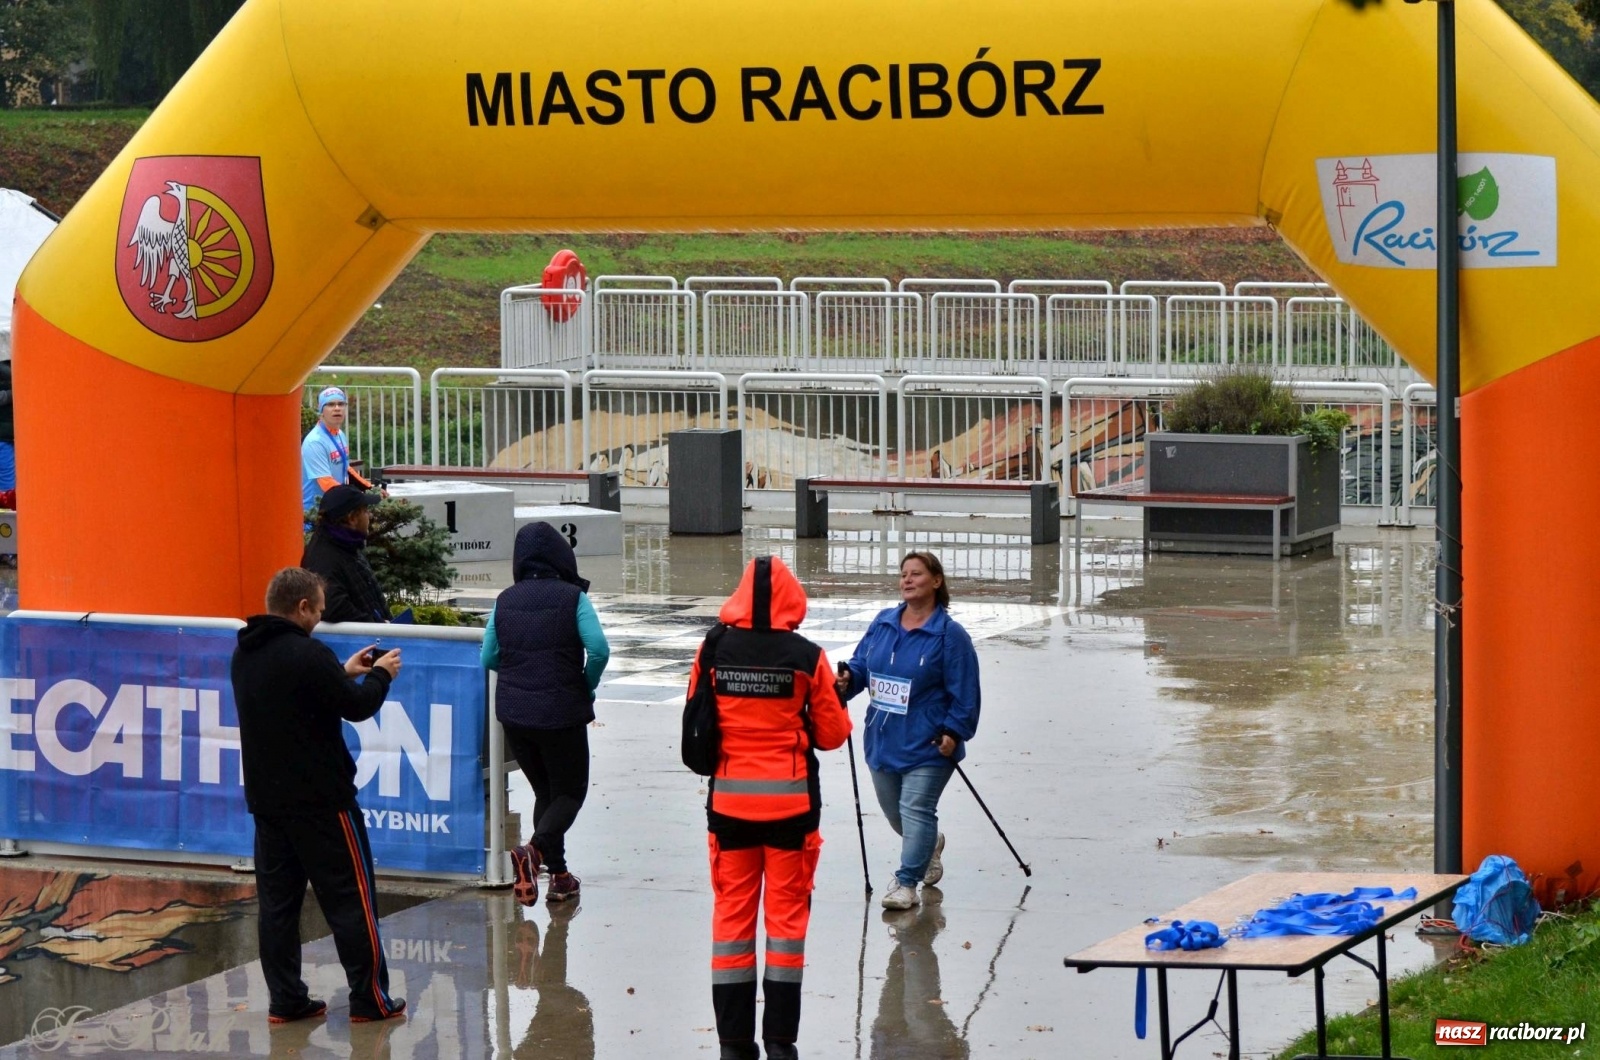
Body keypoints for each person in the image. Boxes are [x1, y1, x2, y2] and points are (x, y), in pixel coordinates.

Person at [689, 556, 851, 1060]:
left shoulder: (712, 648)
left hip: (730, 809)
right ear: (791, 598)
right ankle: (781, 1042)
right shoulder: (807, 656)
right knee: (785, 928)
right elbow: (831, 735)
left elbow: (697, 716)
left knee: (731, 923)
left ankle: (735, 1045)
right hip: (791, 814)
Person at [231, 567, 405, 1024]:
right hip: (324, 803)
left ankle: (286, 1001)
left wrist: (343, 672)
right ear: (302, 606)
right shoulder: (308, 654)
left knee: (278, 909)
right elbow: (358, 707)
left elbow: (299, 697)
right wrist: (381, 676)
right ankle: (370, 1000)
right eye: (319, 612)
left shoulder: (245, 654)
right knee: (351, 901)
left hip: (268, 804)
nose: (321, 620)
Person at [837, 551, 980, 911]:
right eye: (903, 574)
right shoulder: (883, 623)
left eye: (916, 574)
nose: (907, 580)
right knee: (895, 814)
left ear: (936, 581)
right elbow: (860, 666)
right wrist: (846, 680)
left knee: (916, 809)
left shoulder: (950, 635)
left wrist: (954, 731)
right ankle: (929, 845)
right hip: (883, 738)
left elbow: (966, 693)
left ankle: (905, 884)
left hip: (929, 742)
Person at [483, 521, 611, 906]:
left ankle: (559, 878)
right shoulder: (573, 598)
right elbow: (599, 650)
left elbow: (488, 656)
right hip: (561, 712)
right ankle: (534, 852)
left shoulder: (505, 600)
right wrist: (585, 685)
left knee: (546, 793)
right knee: (570, 792)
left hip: (515, 714)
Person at [301, 484, 390, 624]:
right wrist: (376, 625)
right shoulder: (324, 559)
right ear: (352, 518)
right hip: (364, 643)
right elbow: (334, 608)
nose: (370, 516)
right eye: (366, 511)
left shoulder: (348, 545)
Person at [301, 386, 378, 514]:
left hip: (335, 506)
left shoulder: (339, 434)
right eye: (330, 404)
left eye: (341, 404)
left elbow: (346, 468)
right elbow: (326, 483)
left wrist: (370, 488)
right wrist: (360, 498)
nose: (337, 408)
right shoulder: (315, 442)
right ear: (321, 410)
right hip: (314, 514)